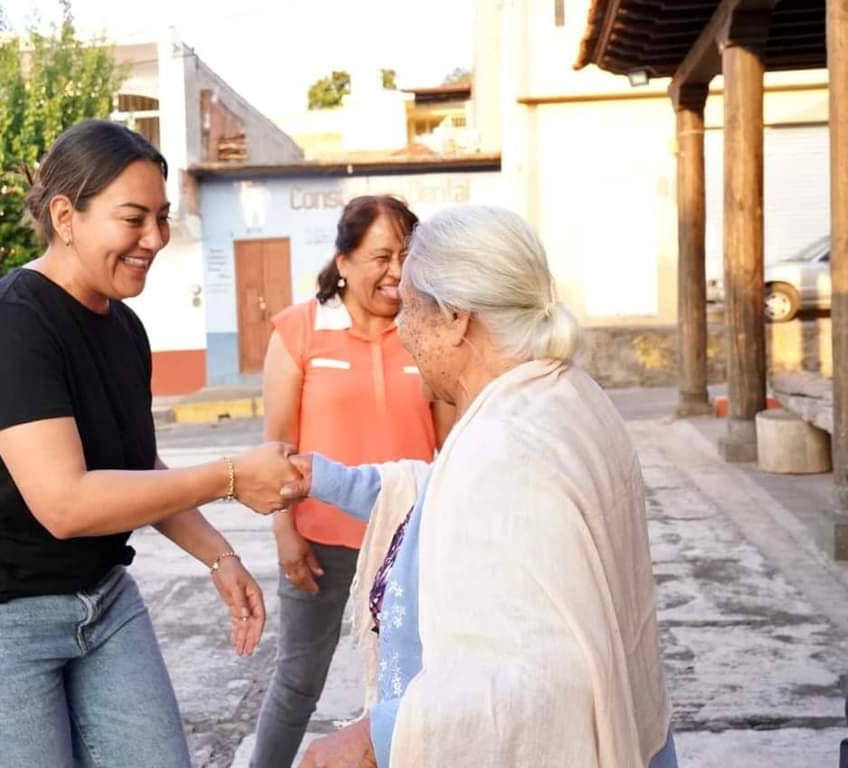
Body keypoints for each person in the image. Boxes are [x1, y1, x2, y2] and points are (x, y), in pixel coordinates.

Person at [0, 119, 298, 768]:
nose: (156, 239)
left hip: (102, 602)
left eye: (163, 219)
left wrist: (219, 557)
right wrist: (229, 476)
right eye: (133, 218)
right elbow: (68, 504)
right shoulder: (8, 329)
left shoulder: (124, 328)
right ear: (65, 215)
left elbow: (137, 471)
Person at [286, 205, 677, 768]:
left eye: (412, 308)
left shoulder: (505, 445)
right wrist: (325, 479)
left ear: (455, 317)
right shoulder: (559, 396)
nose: (400, 327)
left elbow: (542, 682)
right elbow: (450, 497)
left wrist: (380, 735)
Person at [251, 195, 454, 768]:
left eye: (407, 256)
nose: (396, 271)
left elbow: (449, 442)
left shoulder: (426, 329)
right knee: (297, 680)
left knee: (410, 682)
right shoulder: (300, 330)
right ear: (343, 261)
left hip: (406, 539)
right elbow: (277, 447)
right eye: (381, 256)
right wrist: (285, 534)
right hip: (320, 543)